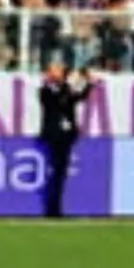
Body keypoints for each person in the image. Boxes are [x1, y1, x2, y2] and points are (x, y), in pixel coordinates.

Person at [34, 58, 86, 221]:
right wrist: (71, 85)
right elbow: (61, 100)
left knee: (61, 172)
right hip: (54, 134)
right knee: (56, 172)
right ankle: (53, 209)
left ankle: (57, 208)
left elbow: (77, 98)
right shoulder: (46, 90)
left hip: (66, 134)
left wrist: (87, 83)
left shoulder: (64, 89)